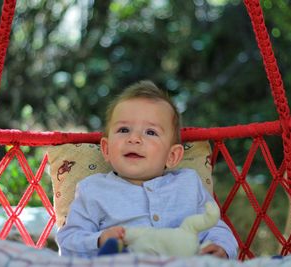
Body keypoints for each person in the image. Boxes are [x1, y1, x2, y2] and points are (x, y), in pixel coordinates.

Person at [56, 80, 238, 259]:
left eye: (150, 132)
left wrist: (222, 248)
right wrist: (99, 240)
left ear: (172, 156)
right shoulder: (93, 189)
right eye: (124, 129)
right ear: (106, 149)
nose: (134, 138)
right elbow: (69, 240)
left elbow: (214, 226)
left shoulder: (188, 183)